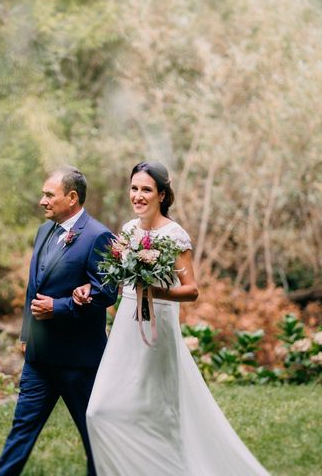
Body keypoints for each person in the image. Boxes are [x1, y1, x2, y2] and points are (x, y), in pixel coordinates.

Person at [73, 161, 270, 475]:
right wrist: (88, 288)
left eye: (146, 190)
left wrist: (152, 291)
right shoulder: (127, 230)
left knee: (159, 413)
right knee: (98, 411)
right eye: (134, 188)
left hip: (157, 331)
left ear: (162, 195)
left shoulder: (174, 235)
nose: (138, 195)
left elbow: (191, 290)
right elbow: (117, 281)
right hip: (125, 327)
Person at [0, 167, 118, 476]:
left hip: (78, 361)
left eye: (49, 194)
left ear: (72, 198)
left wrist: (58, 308)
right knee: (21, 430)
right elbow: (35, 286)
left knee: (94, 438)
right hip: (40, 357)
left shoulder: (98, 236)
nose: (41, 201)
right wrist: (26, 333)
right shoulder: (44, 231)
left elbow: (106, 293)